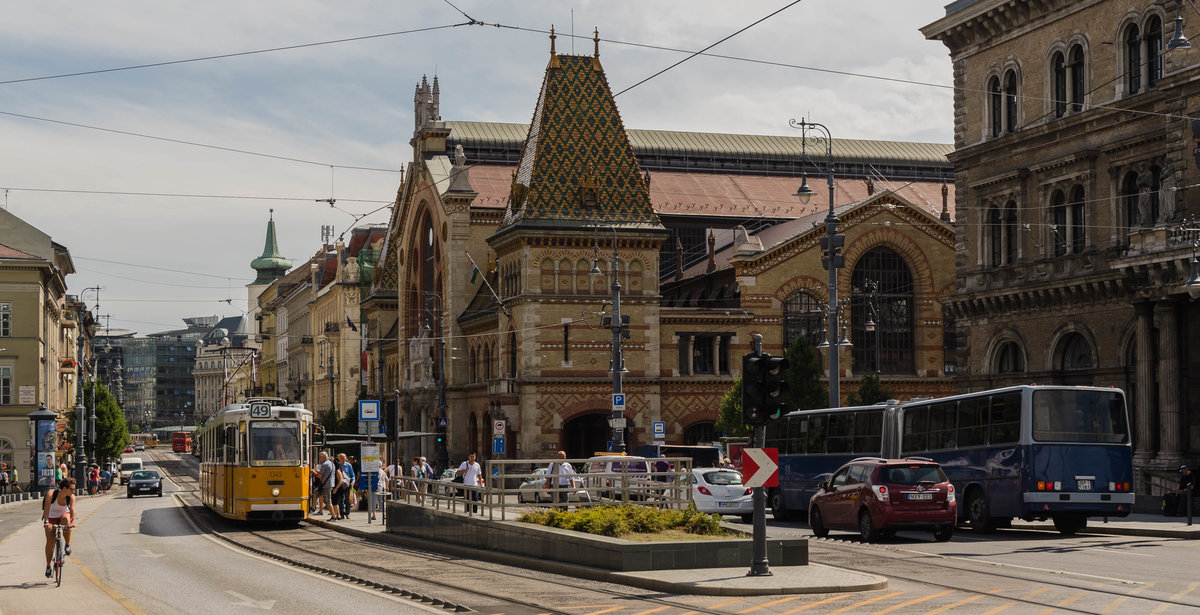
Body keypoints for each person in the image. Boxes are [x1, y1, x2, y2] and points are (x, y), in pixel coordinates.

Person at [42, 477, 77, 578]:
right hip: (51, 517)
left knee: (67, 522)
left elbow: (73, 511)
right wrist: (47, 522)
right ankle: (48, 566)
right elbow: (46, 509)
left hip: (63, 515)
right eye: (72, 489)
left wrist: (72, 522)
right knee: (50, 542)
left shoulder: (71, 497)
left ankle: (67, 544)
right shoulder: (51, 494)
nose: (73, 491)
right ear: (65, 488)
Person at [314, 451, 337, 519]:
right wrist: (317, 471)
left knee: (328, 501)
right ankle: (313, 508)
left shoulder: (324, 464)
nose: (319, 458)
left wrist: (313, 472)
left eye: (320, 457)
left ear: (323, 457)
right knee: (316, 492)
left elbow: (320, 476)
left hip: (326, 485)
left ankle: (334, 517)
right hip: (329, 484)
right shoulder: (331, 463)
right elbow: (325, 473)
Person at [336, 453, 356, 519]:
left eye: (344, 457)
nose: (343, 459)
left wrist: (353, 482)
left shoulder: (348, 465)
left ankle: (347, 513)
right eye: (341, 457)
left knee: (348, 500)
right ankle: (341, 514)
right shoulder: (337, 465)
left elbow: (352, 475)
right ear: (339, 458)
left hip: (348, 484)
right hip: (340, 485)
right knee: (340, 500)